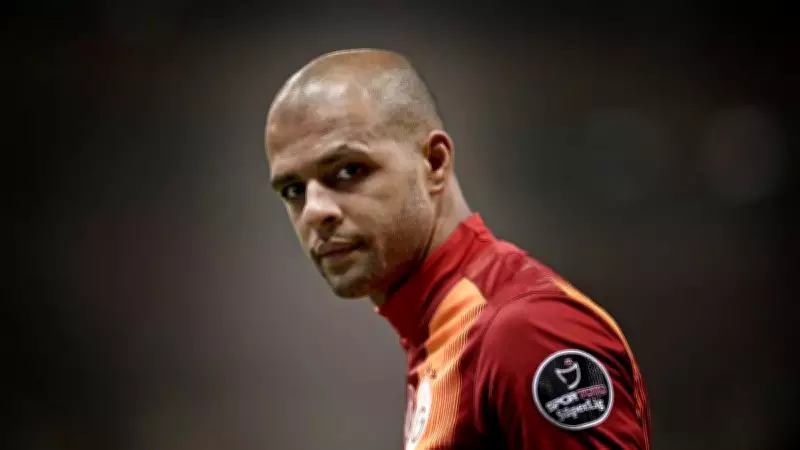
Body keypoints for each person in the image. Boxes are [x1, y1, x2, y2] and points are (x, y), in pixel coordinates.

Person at [264, 48, 651, 449]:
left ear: (434, 162)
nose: (315, 211)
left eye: (349, 171)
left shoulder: (529, 333)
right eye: (293, 190)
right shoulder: (439, 330)